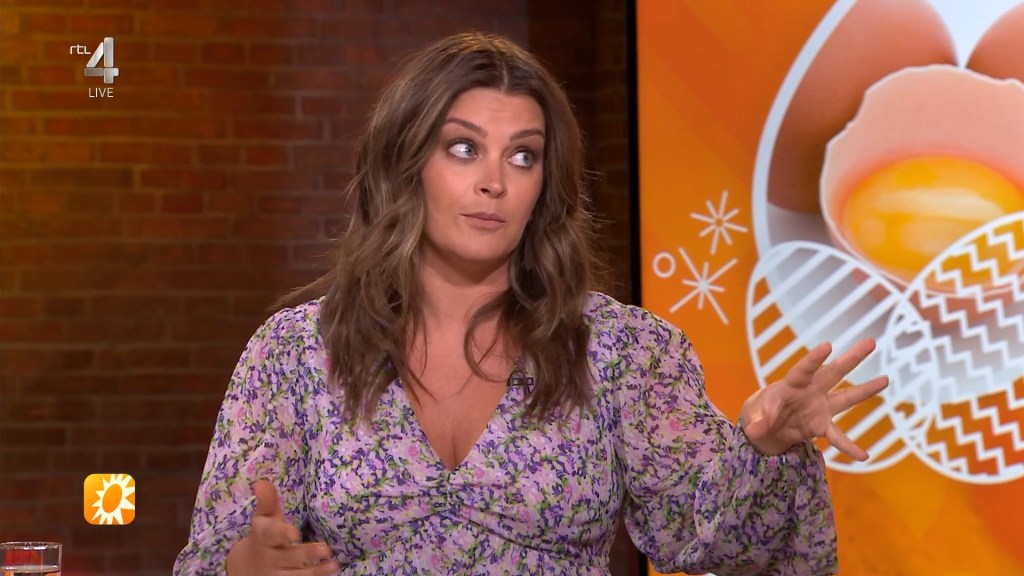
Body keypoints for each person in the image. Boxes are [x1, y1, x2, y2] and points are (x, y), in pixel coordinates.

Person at [173, 31, 888, 576]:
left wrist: (763, 448)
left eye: (523, 156)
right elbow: (210, 555)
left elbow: (710, 542)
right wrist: (242, 568)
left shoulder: (621, 351)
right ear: (405, 163)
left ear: (544, 184)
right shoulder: (297, 353)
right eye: (463, 149)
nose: (495, 181)